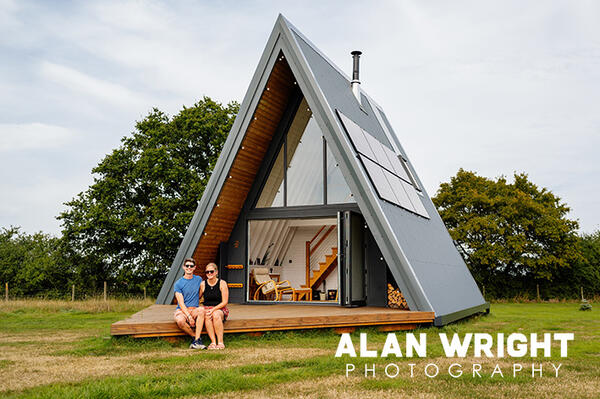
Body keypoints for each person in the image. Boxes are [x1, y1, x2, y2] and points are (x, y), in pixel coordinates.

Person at [173, 258, 207, 349]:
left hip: (194, 309)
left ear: (194, 267)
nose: (189, 267)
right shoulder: (178, 284)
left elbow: (199, 295)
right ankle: (196, 338)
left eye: (191, 266)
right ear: (183, 267)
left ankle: (196, 341)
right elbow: (181, 303)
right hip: (182, 310)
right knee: (180, 321)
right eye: (187, 266)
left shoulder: (198, 279)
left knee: (202, 310)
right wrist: (189, 316)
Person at [199, 262, 229, 350]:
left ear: (216, 272)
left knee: (215, 315)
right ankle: (213, 342)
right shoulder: (203, 284)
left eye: (211, 271)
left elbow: (225, 302)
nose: (209, 274)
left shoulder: (222, 283)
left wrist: (214, 309)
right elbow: (197, 297)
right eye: (207, 272)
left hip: (220, 308)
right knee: (207, 316)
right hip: (207, 308)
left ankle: (220, 342)